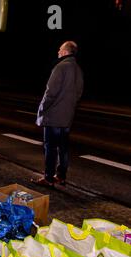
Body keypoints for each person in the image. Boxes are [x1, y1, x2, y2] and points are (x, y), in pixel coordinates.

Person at [32, 41, 84, 187]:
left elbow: (50, 92)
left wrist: (42, 110)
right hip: (67, 117)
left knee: (50, 147)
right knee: (63, 148)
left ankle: (48, 177)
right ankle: (61, 176)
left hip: (53, 116)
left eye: (60, 49)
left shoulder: (60, 67)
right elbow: (79, 92)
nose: (58, 51)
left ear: (66, 52)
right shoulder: (78, 69)